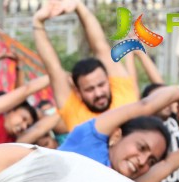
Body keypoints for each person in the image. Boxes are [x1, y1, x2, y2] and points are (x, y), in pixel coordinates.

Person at [59, 83, 179, 182]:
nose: (142, 161)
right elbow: (145, 105)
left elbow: (168, 165)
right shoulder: (89, 139)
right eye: (141, 147)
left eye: (151, 161)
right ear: (117, 136)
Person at [32, 0, 137, 131]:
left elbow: (100, 47)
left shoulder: (122, 90)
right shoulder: (73, 110)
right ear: (78, 92)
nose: (98, 93)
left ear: (108, 80)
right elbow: (53, 69)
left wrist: (79, 7)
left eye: (101, 85)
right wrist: (38, 22)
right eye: (89, 89)